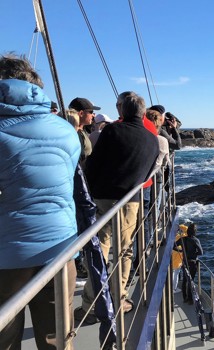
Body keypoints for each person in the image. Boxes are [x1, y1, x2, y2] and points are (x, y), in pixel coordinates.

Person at [0, 53, 80, 349]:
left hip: (6, 256)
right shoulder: (66, 130)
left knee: (5, 338)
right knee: (56, 337)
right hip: (60, 249)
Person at [80, 91, 159, 316]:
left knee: (100, 249)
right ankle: (119, 299)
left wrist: (91, 191)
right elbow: (147, 174)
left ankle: (91, 303)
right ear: (143, 113)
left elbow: (94, 163)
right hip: (131, 201)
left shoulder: (113, 130)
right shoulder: (151, 138)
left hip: (104, 197)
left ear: (122, 110)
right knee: (124, 251)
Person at [65, 109, 117, 349]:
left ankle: (89, 298)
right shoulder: (78, 140)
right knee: (101, 246)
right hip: (89, 202)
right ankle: (96, 299)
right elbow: (87, 160)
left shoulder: (90, 137)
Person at [68, 97, 100, 166]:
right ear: (81, 113)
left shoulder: (80, 131)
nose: (93, 115)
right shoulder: (76, 133)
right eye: (91, 112)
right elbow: (80, 158)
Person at [181, 223, 203, 304]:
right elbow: (201, 252)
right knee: (191, 280)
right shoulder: (195, 240)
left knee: (184, 280)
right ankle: (190, 299)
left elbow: (173, 246)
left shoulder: (183, 239)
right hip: (192, 262)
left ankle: (184, 298)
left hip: (185, 262)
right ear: (195, 232)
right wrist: (194, 254)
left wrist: (182, 251)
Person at [171, 225, 188, 293]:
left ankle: (172, 287)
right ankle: (174, 288)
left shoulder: (172, 237)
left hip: (172, 257)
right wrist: (180, 226)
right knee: (176, 274)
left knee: (172, 273)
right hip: (178, 259)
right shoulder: (182, 237)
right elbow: (187, 230)